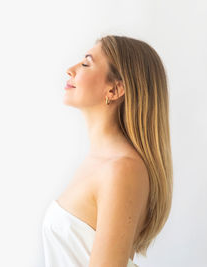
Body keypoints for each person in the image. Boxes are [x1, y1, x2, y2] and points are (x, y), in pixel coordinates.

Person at [41, 35, 173, 267]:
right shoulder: (99, 162)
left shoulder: (121, 169)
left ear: (115, 89)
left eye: (85, 64)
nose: (70, 70)